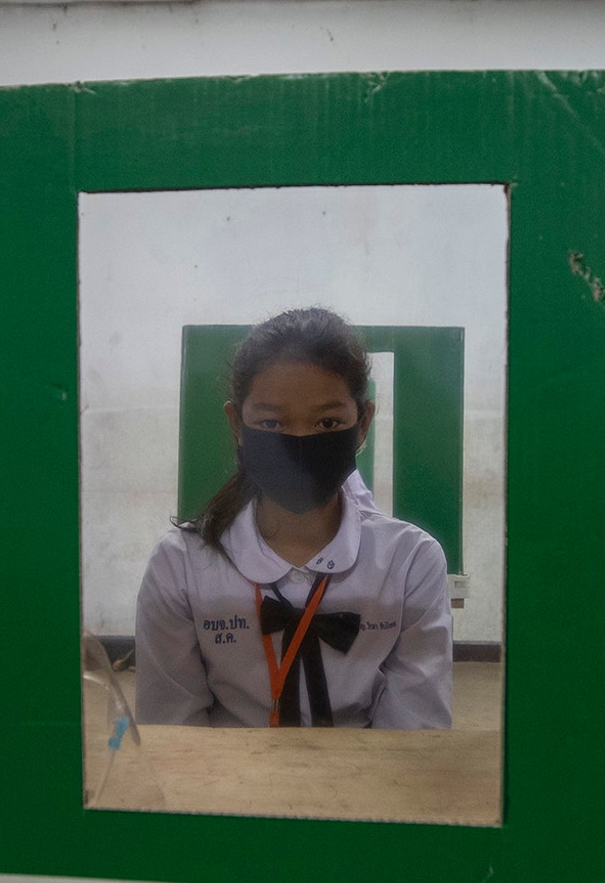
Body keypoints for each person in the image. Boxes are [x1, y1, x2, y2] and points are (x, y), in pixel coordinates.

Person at [134, 307, 452, 729]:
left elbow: (415, 735)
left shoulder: (411, 561)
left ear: (363, 424)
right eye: (271, 421)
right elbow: (173, 732)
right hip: (224, 789)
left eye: (327, 421)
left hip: (370, 788)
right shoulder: (180, 566)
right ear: (237, 424)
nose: (300, 441)